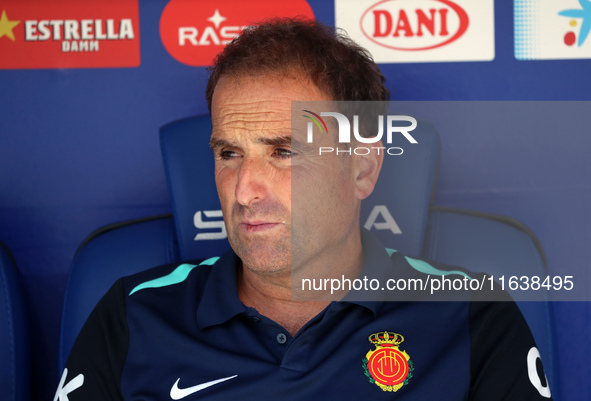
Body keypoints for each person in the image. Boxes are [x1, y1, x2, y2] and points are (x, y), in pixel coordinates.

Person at [55, 18, 553, 400]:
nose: (245, 190)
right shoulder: (133, 314)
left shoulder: (471, 315)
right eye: (229, 154)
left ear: (362, 168)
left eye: (284, 151)